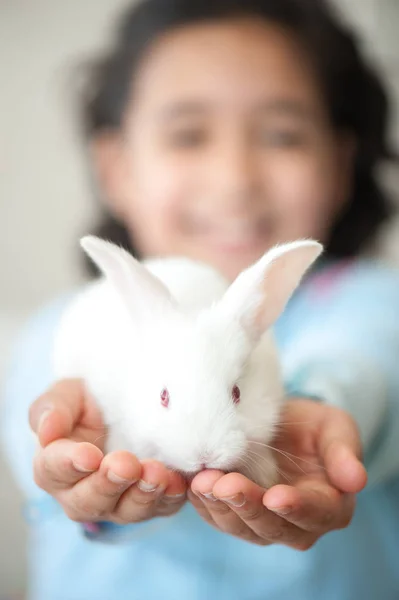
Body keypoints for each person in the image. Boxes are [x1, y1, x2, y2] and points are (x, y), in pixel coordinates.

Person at [2, 0, 399, 598]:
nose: (235, 179)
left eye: (282, 135)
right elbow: (44, 425)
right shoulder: (68, 325)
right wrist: (83, 475)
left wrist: (323, 403)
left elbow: (368, 361)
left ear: (340, 164)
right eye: (188, 135)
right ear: (116, 169)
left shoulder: (366, 300)